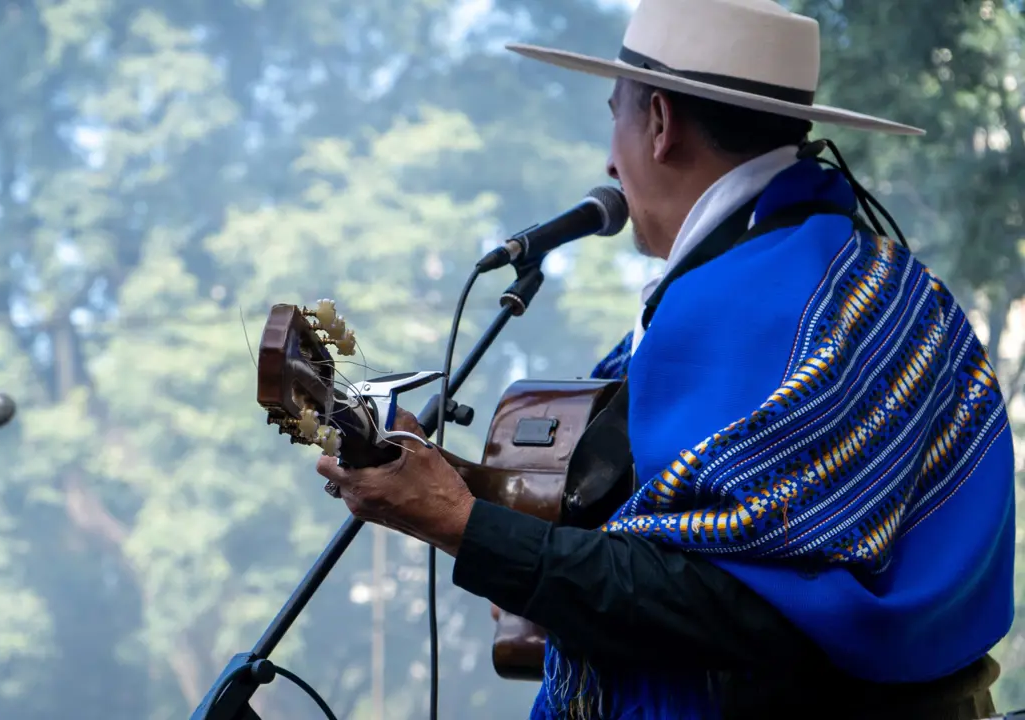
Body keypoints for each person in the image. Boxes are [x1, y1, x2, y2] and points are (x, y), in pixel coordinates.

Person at [316, 0, 1017, 718]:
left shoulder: (755, 301)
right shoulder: (864, 279)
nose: (607, 159)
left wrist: (460, 524)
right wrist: (468, 518)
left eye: (613, 113)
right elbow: (685, 558)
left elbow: (728, 607)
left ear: (658, 123)